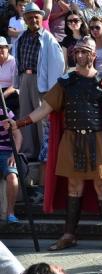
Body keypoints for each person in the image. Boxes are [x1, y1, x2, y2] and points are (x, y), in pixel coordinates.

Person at [4, 36, 102, 252]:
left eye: (84, 52)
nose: (79, 55)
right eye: (76, 52)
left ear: (93, 55)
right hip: (71, 140)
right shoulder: (65, 83)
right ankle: (69, 234)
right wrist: (19, 123)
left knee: (100, 186)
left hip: (97, 139)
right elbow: (45, 109)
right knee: (74, 186)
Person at [14, 2, 64, 161]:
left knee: (42, 119)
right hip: (24, 79)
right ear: (25, 19)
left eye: (36, 17)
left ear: (41, 17)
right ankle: (28, 152)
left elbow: (57, 64)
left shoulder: (48, 38)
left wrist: (52, 88)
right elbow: (17, 60)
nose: (33, 20)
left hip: (41, 80)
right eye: (29, 18)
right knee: (25, 114)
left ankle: (44, 154)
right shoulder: (21, 37)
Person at [0, 104, 22, 224]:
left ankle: (10, 212)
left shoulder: (5, 111)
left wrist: (14, 154)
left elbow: (18, 136)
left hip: (6, 152)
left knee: (12, 176)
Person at [0, 37, 19, 116]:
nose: (0, 50)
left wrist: (3, 95)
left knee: (3, 108)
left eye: (2, 47)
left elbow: (15, 84)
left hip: (11, 93)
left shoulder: (13, 61)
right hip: (0, 92)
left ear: (7, 48)